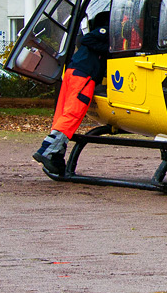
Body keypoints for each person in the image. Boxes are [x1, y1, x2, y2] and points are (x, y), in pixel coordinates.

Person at [34, 12, 110, 176]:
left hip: (72, 73)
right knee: (73, 113)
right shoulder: (105, 31)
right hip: (83, 76)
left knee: (62, 114)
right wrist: (108, 49)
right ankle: (47, 149)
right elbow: (87, 40)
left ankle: (56, 156)